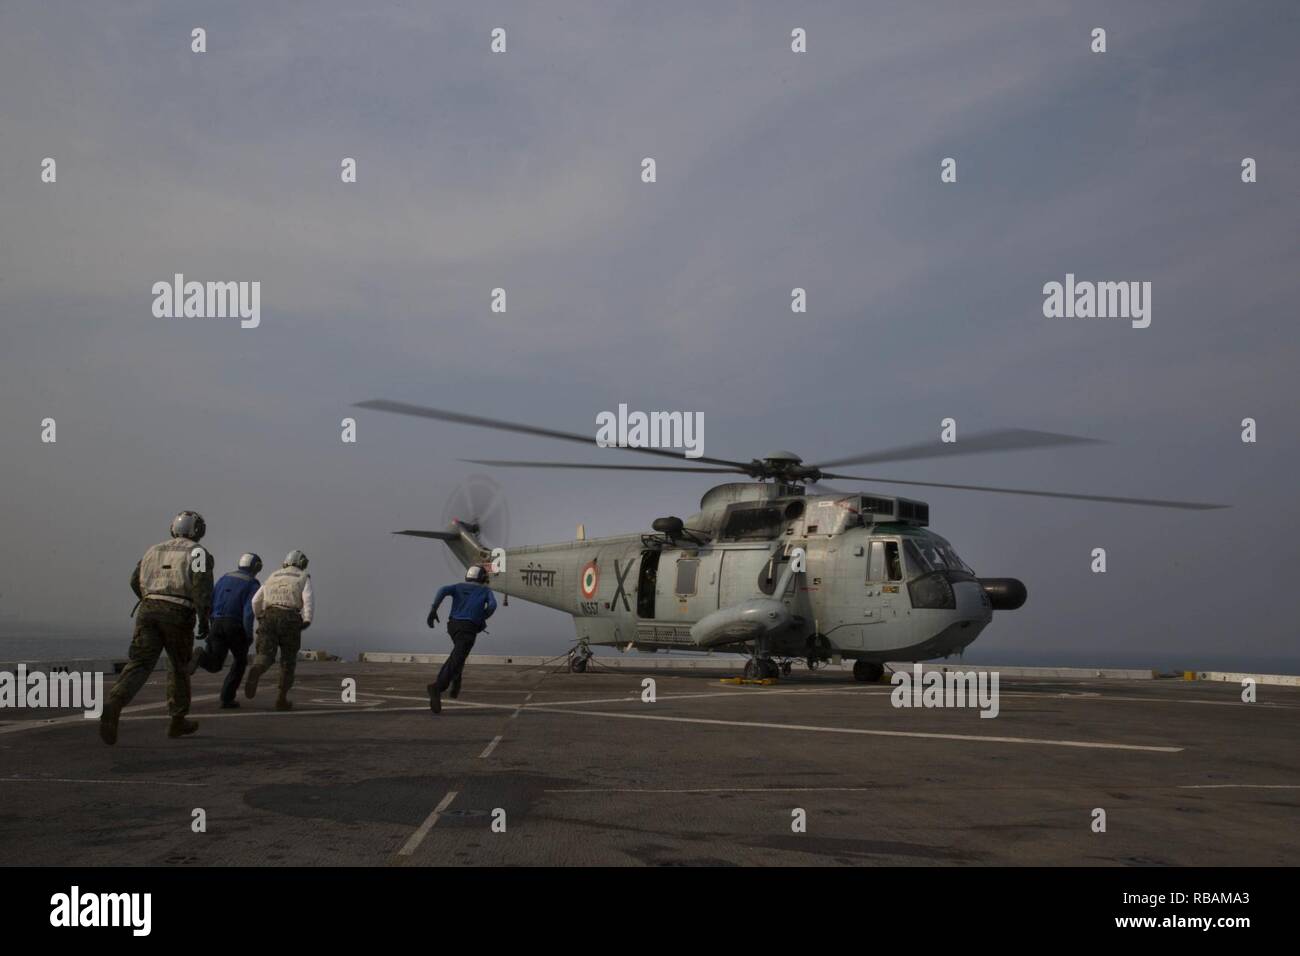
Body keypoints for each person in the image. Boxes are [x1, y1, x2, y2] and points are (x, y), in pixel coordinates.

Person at [100, 511, 214, 745]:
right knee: (179, 666)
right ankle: (177, 720)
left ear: (173, 528)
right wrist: (204, 617)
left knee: (140, 663)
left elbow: (134, 579)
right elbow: (201, 586)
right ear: (199, 531)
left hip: (148, 609)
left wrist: (150, 599)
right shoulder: (198, 552)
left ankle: (116, 701)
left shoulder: (153, 550)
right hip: (178, 612)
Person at [189, 553, 262, 708]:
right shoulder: (252, 584)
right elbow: (249, 613)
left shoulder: (224, 578)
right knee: (240, 661)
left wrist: (210, 624)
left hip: (216, 623)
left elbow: (211, 599)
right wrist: (248, 634)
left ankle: (200, 655)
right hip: (234, 625)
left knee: (215, 664)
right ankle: (227, 698)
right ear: (256, 567)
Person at [245, 550, 313, 711]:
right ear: (301, 563)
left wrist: (260, 616)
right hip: (290, 619)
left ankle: (257, 668)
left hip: (269, 616)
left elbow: (255, 600)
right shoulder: (304, 577)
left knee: (265, 654)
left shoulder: (273, 576)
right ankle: (281, 699)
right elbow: (308, 599)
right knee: (288, 661)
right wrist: (307, 619)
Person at [426, 565, 497, 714]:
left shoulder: (457, 587)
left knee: (458, 655)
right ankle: (437, 687)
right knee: (458, 656)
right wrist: (481, 617)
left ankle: (456, 679)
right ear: (483, 578)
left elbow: (443, 590)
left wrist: (434, 609)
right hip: (469, 628)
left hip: (453, 626)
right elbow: (492, 606)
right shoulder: (485, 590)